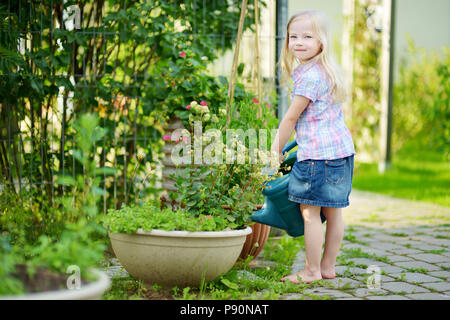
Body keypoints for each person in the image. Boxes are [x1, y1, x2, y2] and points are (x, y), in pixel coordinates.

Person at [270, 9, 356, 284]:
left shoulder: (307, 76)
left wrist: (275, 150)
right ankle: (328, 266)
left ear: (321, 41)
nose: (298, 41)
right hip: (341, 152)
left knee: (310, 213)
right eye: (293, 36)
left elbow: (291, 117)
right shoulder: (325, 70)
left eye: (307, 36)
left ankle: (311, 270)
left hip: (318, 157)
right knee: (334, 212)